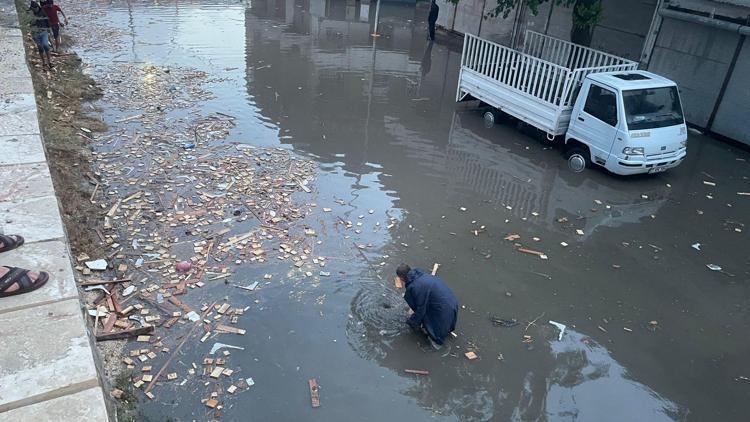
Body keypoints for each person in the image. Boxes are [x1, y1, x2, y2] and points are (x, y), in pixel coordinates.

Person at [397, 263, 458, 349]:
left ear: (402, 278)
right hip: (452, 302)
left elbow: (421, 309)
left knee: (435, 332)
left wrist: (411, 322)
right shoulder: (421, 275)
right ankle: (445, 329)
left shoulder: (415, 286)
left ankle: (437, 341)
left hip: (443, 309)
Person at [29, 1, 53, 69]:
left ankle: (49, 62)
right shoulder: (30, 14)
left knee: (46, 45)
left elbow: (47, 21)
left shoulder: (42, 12)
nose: (33, 10)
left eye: (34, 9)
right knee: (40, 48)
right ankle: (44, 63)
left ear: (37, 7)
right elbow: (28, 22)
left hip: (43, 32)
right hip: (35, 33)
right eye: (32, 9)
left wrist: (49, 30)